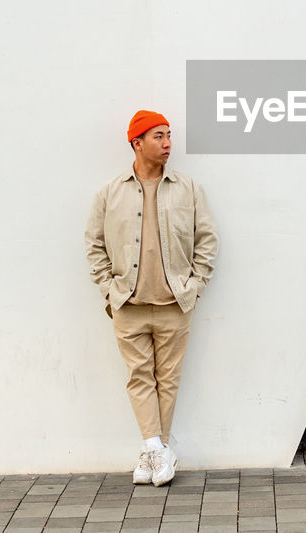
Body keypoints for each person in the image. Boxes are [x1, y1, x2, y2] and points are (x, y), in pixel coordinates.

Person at [84, 109, 218, 486]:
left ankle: (152, 452)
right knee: (139, 377)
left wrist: (195, 285)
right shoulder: (110, 193)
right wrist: (108, 289)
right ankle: (157, 449)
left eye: (169, 135)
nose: (168, 144)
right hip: (128, 304)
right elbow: (94, 245)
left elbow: (207, 240)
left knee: (168, 378)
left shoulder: (188, 189)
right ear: (137, 142)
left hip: (175, 303)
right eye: (159, 136)